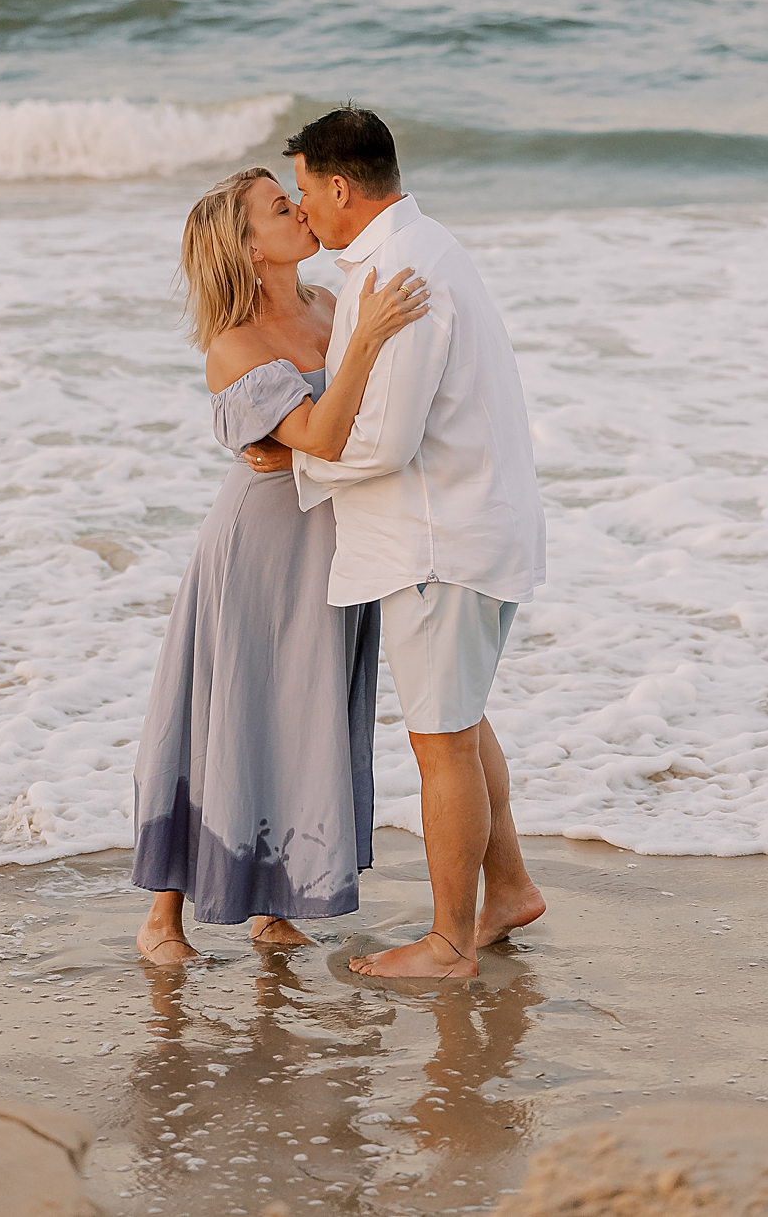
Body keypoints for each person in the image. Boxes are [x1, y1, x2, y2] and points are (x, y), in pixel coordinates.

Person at [133, 165, 432, 963]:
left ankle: (273, 906)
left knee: (298, 714)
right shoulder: (235, 345)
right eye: (278, 207)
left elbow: (350, 424)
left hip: (332, 542)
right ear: (249, 247)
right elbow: (329, 436)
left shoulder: (329, 308)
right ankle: (162, 918)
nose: (299, 210)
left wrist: (301, 427)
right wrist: (361, 349)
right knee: (223, 709)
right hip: (259, 549)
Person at [281, 106, 548, 981]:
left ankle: (448, 942)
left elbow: (384, 444)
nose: (302, 210)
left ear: (341, 187)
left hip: (439, 543)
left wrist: (300, 464)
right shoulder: (425, 247)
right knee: (461, 726)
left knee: (439, 742)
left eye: (305, 192)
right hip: (477, 525)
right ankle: (505, 890)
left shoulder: (393, 270)